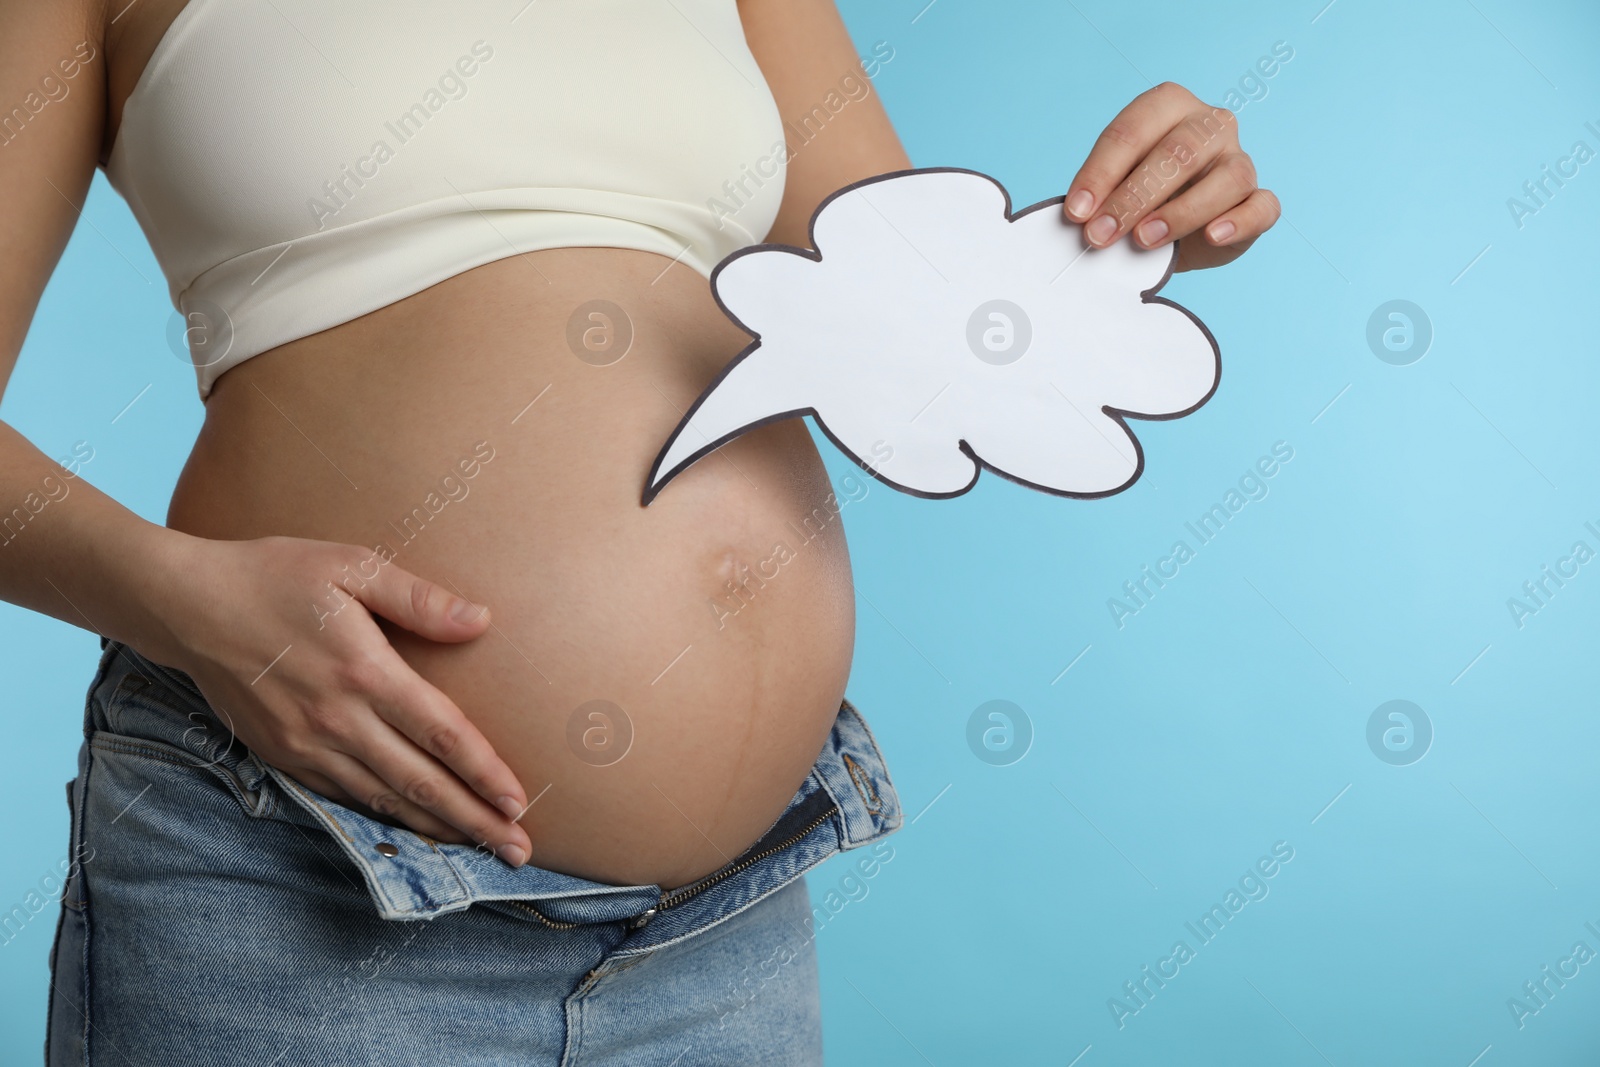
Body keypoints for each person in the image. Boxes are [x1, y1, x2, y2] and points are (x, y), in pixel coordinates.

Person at [4, 0, 1278, 1062]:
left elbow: (921, 315)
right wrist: (184, 601)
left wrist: (1129, 236)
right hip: (303, 874)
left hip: (725, 934)